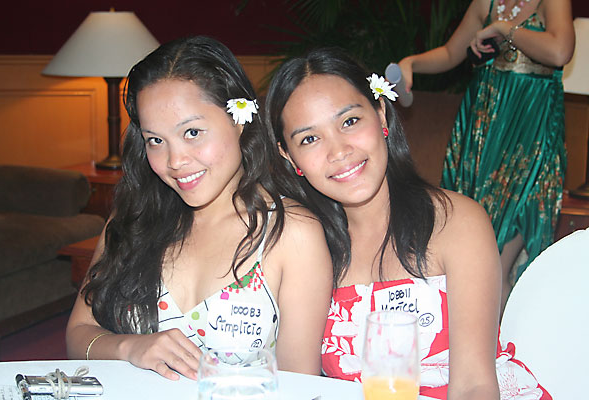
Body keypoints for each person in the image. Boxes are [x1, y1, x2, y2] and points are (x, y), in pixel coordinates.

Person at [265, 47, 551, 399]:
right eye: (310, 139)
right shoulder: (302, 248)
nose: (338, 151)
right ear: (288, 156)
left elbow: (474, 386)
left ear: (381, 115)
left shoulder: (457, 223)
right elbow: (298, 386)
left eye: (349, 121)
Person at [66, 36, 336, 380]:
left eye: (192, 132)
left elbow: (299, 383)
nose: (175, 161)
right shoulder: (134, 219)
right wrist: (129, 347)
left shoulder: (291, 233)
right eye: (155, 140)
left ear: (238, 119)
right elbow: (78, 334)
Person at [398, 0, 575, 312]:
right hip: (484, 136)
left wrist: (505, 29)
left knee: (497, 258)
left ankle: (495, 339)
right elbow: (450, 53)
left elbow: (560, 51)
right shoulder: (485, 3)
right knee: (472, 253)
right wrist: (411, 62)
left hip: (529, 140)